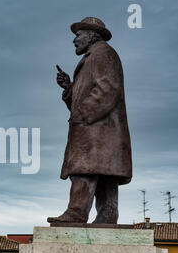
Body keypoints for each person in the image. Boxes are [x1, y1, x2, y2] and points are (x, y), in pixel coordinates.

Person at [50, 17, 132, 224]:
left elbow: (109, 88)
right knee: (104, 174)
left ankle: (76, 213)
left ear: (91, 34)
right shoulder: (92, 57)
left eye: (78, 35)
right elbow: (80, 99)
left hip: (97, 130)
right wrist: (69, 87)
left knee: (84, 168)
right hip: (100, 130)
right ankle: (107, 216)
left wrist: (85, 114)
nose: (74, 40)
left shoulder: (103, 53)